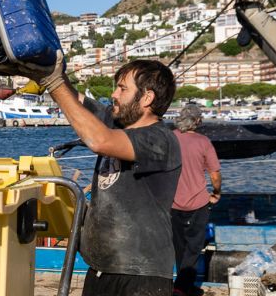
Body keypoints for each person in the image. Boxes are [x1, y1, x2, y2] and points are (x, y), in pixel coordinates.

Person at [21, 55, 181, 296]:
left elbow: (99, 140)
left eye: (122, 88)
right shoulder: (117, 122)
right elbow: (78, 102)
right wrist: (47, 75)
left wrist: (53, 82)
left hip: (141, 275)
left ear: (147, 98)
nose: (114, 95)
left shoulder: (160, 139)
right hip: (100, 269)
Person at [171, 104, 221, 296]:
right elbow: (214, 175)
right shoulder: (203, 141)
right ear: (198, 121)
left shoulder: (170, 139)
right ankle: (180, 288)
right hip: (198, 203)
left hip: (172, 203)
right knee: (193, 248)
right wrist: (217, 192)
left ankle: (184, 285)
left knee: (179, 247)